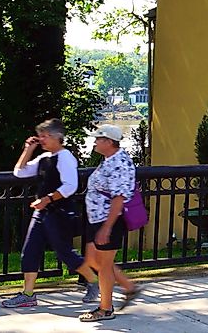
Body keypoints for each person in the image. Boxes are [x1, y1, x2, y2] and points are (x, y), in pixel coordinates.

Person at [1, 119, 98, 309]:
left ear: (57, 137)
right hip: (42, 213)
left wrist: (47, 199)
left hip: (58, 212)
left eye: (45, 136)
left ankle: (93, 280)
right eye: (40, 136)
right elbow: (19, 173)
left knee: (64, 252)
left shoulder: (65, 157)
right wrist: (28, 149)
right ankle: (28, 294)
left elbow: (70, 186)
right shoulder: (44, 158)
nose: (42, 140)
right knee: (29, 251)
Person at [79, 125, 141, 322]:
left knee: (104, 265)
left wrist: (106, 228)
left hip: (108, 221)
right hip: (97, 218)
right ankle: (129, 287)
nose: (95, 142)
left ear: (109, 142)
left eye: (98, 139)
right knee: (92, 260)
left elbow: (119, 198)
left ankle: (105, 309)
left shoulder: (119, 163)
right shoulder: (109, 160)